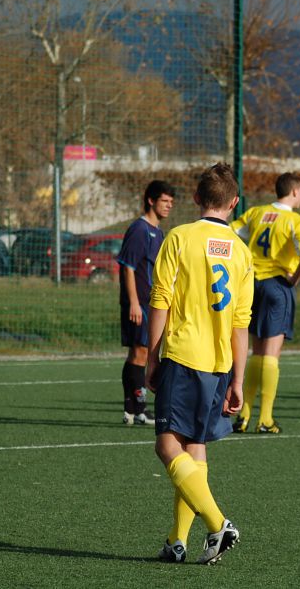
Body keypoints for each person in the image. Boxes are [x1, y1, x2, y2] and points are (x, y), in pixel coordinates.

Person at [145, 163, 254, 565]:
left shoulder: (179, 237)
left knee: (166, 444)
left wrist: (151, 354)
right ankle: (176, 542)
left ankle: (217, 523)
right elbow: (241, 325)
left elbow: (160, 299)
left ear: (195, 199)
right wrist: (238, 379)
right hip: (219, 363)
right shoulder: (242, 253)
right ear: (235, 203)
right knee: (195, 448)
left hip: (183, 354)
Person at [229, 172, 300, 434]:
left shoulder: (256, 213)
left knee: (256, 352)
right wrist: (296, 278)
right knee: (271, 354)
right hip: (278, 285)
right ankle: (265, 418)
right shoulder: (295, 221)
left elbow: (231, 231)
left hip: (252, 283)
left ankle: (243, 415)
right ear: (294, 192)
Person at [116, 179, 175, 425]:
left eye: (171, 202)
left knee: (139, 352)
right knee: (140, 353)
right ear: (151, 200)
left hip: (150, 302)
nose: (169, 206)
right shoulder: (140, 229)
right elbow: (127, 267)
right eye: (164, 201)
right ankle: (139, 408)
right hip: (139, 302)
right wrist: (133, 303)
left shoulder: (158, 231)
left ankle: (130, 409)